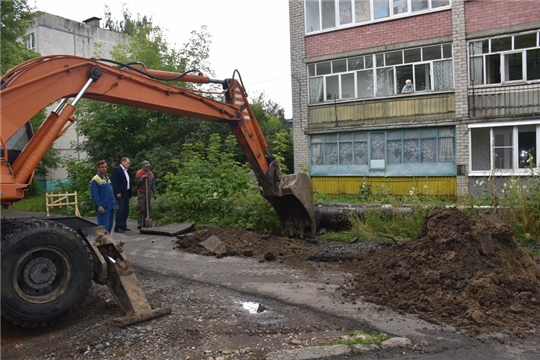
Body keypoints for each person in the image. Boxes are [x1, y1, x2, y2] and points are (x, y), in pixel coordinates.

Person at [90, 160, 117, 233]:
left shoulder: (107, 178)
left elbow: (111, 192)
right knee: (103, 227)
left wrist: (115, 202)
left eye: (105, 167)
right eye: (102, 167)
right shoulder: (95, 179)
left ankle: (108, 241)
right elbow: (95, 194)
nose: (104, 169)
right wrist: (99, 205)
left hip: (110, 206)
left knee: (109, 226)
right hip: (104, 207)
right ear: (98, 168)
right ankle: (102, 242)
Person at [135, 160, 158, 230]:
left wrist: (155, 192)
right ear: (143, 166)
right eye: (146, 167)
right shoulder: (139, 173)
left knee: (147, 207)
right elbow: (136, 183)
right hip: (141, 192)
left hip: (148, 192)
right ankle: (139, 223)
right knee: (141, 208)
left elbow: (153, 184)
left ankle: (145, 223)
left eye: (148, 167)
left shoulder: (151, 174)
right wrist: (142, 178)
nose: (148, 168)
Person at [111, 157, 132, 233]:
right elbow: (114, 182)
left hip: (126, 192)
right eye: (127, 162)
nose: (128, 164)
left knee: (126, 210)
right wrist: (117, 192)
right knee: (120, 209)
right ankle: (118, 226)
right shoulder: (117, 170)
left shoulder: (126, 171)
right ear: (122, 162)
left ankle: (123, 224)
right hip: (120, 193)